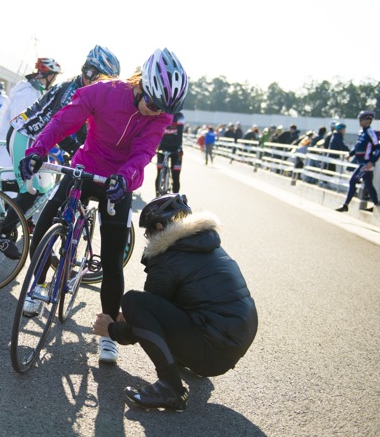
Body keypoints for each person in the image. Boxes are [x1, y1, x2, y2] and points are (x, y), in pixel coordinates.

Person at [19, 48, 188, 365]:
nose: (155, 113)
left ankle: (108, 331)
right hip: (85, 168)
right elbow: (62, 123)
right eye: (152, 103)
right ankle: (38, 284)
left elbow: (143, 154)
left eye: (163, 110)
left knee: (112, 259)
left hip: (118, 181)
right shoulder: (103, 91)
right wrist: (38, 150)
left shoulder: (159, 115)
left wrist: (125, 178)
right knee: (44, 225)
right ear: (140, 84)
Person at [92, 194, 258, 411]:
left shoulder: (168, 257)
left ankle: (171, 389)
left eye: (149, 232)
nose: (148, 238)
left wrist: (113, 330)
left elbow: (143, 320)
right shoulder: (203, 245)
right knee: (157, 304)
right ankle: (181, 359)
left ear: (160, 227)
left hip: (214, 350)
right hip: (231, 342)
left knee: (133, 301)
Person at [0, 46, 120, 248]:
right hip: (24, 135)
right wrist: (75, 147)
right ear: (89, 72)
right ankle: (0, 234)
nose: (104, 85)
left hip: (37, 139)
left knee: (45, 189)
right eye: (103, 79)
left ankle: (28, 227)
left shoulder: (85, 89)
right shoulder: (71, 90)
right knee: (30, 191)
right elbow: (60, 125)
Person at [0, 57, 62, 176]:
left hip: (12, 145)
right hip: (7, 146)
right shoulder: (27, 93)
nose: (54, 80)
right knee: (7, 186)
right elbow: (23, 123)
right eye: (55, 76)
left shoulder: (34, 91)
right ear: (48, 75)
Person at [336, 111, 380, 213]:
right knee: (369, 185)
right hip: (360, 162)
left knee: (353, 181)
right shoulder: (361, 132)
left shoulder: (371, 133)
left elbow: (378, 148)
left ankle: (346, 205)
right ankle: (377, 205)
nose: (359, 122)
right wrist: (350, 154)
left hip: (365, 164)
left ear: (368, 120)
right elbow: (357, 147)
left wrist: (372, 161)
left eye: (361, 119)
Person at [155, 111, 184, 195]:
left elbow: (180, 134)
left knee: (176, 175)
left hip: (176, 147)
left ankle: (175, 197)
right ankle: (157, 196)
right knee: (159, 172)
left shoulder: (179, 116)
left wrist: (179, 147)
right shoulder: (160, 113)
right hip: (162, 147)